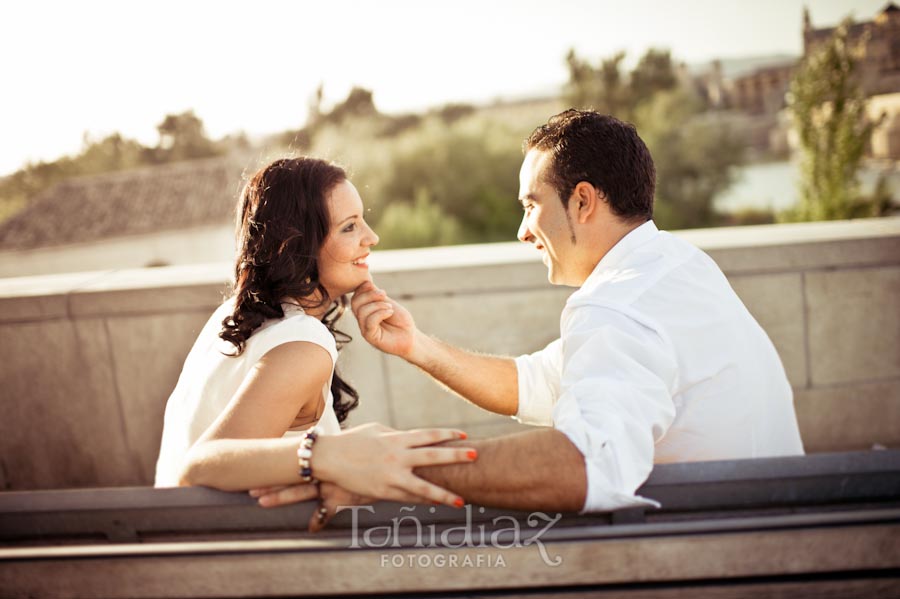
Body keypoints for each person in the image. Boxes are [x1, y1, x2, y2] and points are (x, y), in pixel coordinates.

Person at [256, 110, 805, 519]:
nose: (522, 231)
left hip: (726, 555)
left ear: (584, 201)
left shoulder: (618, 306)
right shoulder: (674, 265)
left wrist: (391, 469)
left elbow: (586, 466)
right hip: (768, 528)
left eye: (530, 204)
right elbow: (539, 383)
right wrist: (417, 346)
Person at [153, 157, 475, 514]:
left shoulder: (233, 313)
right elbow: (197, 469)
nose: (372, 237)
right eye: (350, 227)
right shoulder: (303, 342)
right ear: (298, 246)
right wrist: (330, 453)